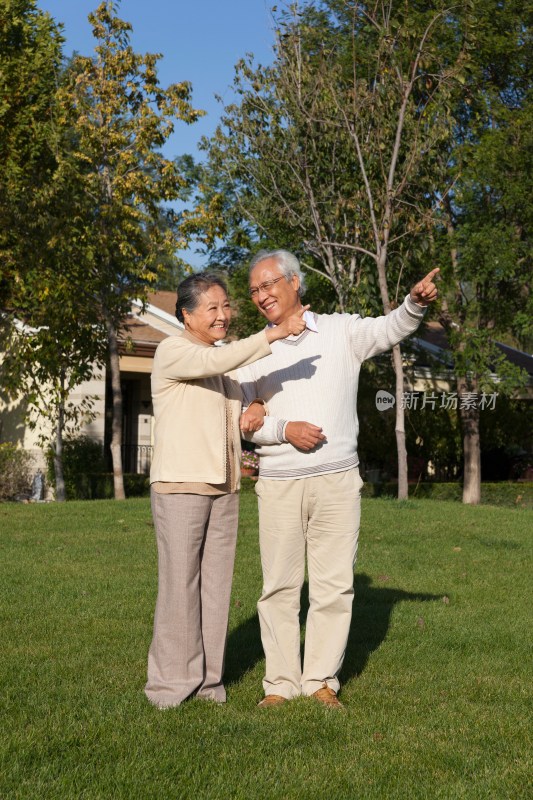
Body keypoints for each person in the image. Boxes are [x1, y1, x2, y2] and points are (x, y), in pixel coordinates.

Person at [237, 250, 439, 709]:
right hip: (280, 482)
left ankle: (321, 682)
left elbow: (389, 328)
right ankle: (280, 686)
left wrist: (414, 303)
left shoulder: (341, 330)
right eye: (253, 290)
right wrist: (282, 430)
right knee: (279, 588)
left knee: (333, 586)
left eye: (268, 285)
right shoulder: (254, 349)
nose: (261, 295)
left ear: (293, 283)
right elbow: (237, 420)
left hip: (337, 483)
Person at [145, 272, 309, 708]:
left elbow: (242, 396)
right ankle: (168, 688)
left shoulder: (222, 359)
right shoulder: (173, 351)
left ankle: (208, 685)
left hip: (225, 486)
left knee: (216, 589)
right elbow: (216, 363)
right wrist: (274, 333)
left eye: (226, 306)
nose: (223, 315)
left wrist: (255, 403)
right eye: (212, 308)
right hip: (181, 487)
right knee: (180, 587)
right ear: (187, 314)